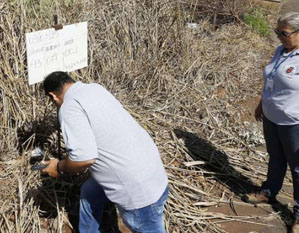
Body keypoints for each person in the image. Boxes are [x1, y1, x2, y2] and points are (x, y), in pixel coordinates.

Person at [41, 71, 169, 233]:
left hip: (139, 194)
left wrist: (58, 167)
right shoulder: (95, 88)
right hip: (152, 171)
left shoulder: (69, 107)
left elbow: (84, 159)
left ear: (53, 96)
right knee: (90, 192)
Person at [242, 12, 299, 232]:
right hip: (271, 118)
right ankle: (269, 192)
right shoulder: (280, 51)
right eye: (277, 32)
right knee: (275, 158)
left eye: (284, 33)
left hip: (294, 122)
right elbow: (272, 80)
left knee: (297, 169)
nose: (279, 37)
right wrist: (261, 103)